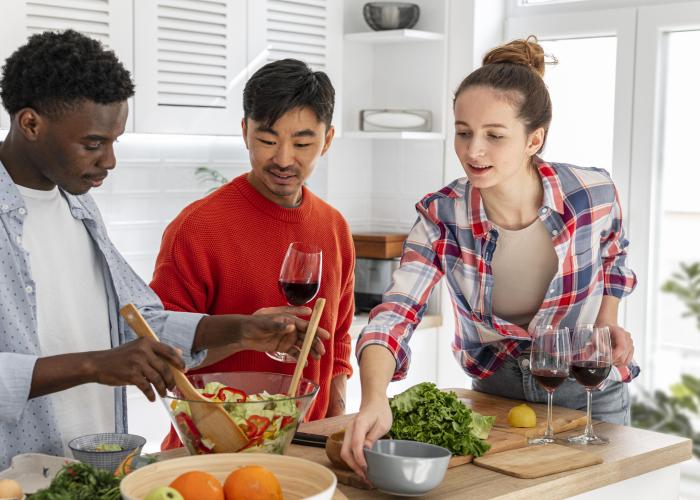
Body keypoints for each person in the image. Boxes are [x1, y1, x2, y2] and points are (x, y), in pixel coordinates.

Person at [0, 30, 326, 469]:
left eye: (115, 141)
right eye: (94, 144)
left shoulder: (78, 206)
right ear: (31, 124)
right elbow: (104, 358)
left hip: (92, 470)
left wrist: (240, 331)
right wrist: (94, 365)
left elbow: (144, 324)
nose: (110, 160)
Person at [341, 37, 639, 478]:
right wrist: (373, 399)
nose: (472, 151)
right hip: (494, 396)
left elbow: (614, 251)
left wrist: (607, 318)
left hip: (589, 394)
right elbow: (394, 314)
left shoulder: (591, 192)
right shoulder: (441, 215)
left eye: (494, 136)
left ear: (533, 139)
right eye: (463, 132)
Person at [150, 58, 355, 448]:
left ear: (327, 140)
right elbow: (162, 356)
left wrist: (334, 420)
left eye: (302, 143)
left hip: (304, 445)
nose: (282, 159)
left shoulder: (334, 227)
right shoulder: (197, 228)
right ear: (245, 132)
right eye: (267, 139)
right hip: (211, 448)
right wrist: (244, 335)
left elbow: (339, 338)